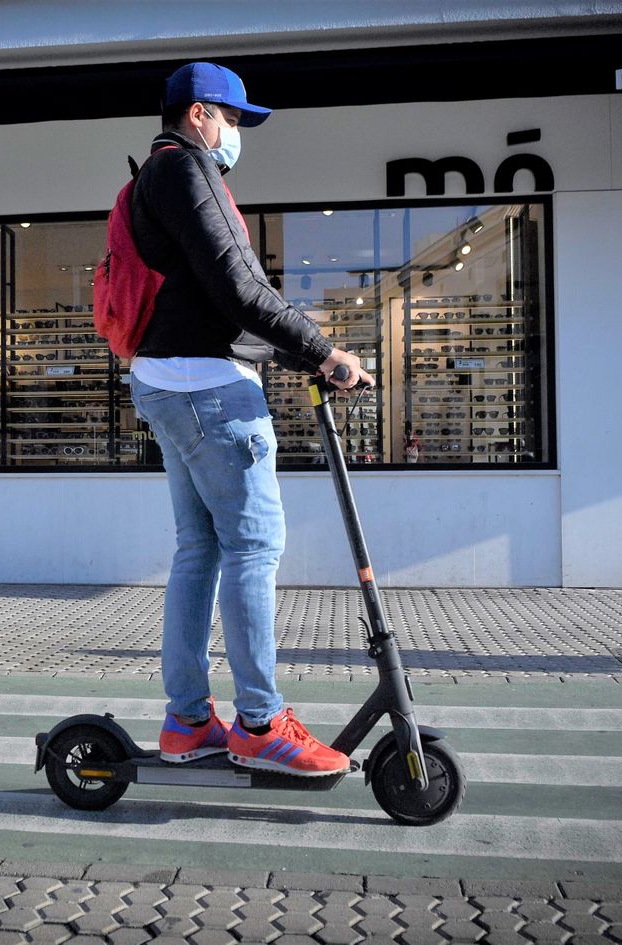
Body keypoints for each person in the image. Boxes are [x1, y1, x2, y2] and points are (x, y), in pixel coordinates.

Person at [128, 62, 373, 777]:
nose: (237, 134)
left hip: (168, 381)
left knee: (198, 548)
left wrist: (304, 356)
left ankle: (188, 720)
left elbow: (220, 293)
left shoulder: (159, 175)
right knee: (254, 545)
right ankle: (261, 722)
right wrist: (325, 352)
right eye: (233, 119)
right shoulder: (187, 170)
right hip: (208, 388)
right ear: (200, 113)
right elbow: (239, 287)